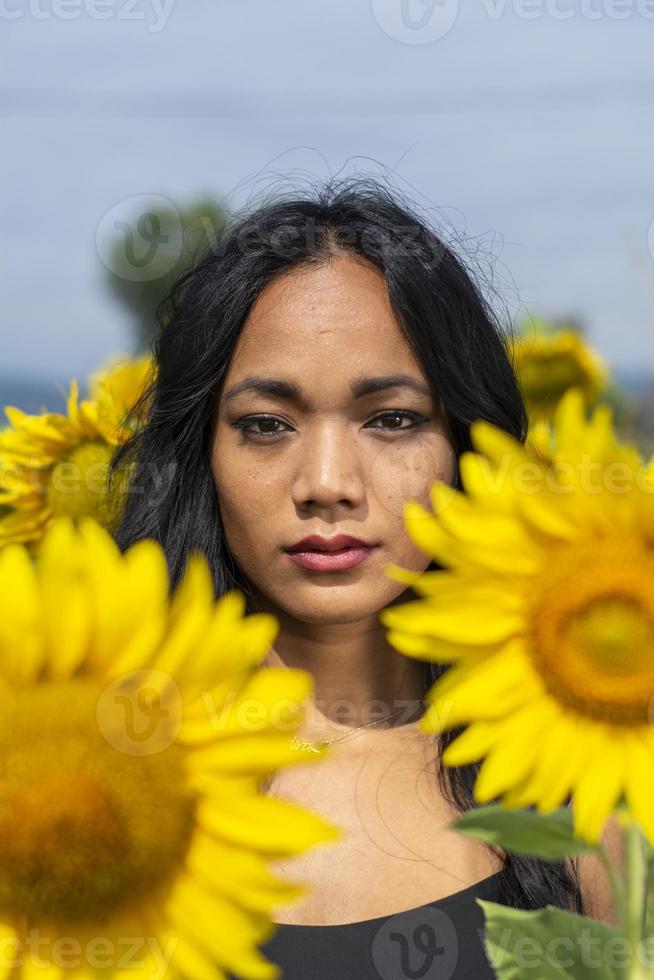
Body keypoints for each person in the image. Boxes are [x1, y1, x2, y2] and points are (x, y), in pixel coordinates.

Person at [111, 176, 620, 979]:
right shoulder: (89, 760)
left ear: (466, 445)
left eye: (391, 419)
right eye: (266, 425)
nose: (326, 482)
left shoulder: (583, 776)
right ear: (200, 453)